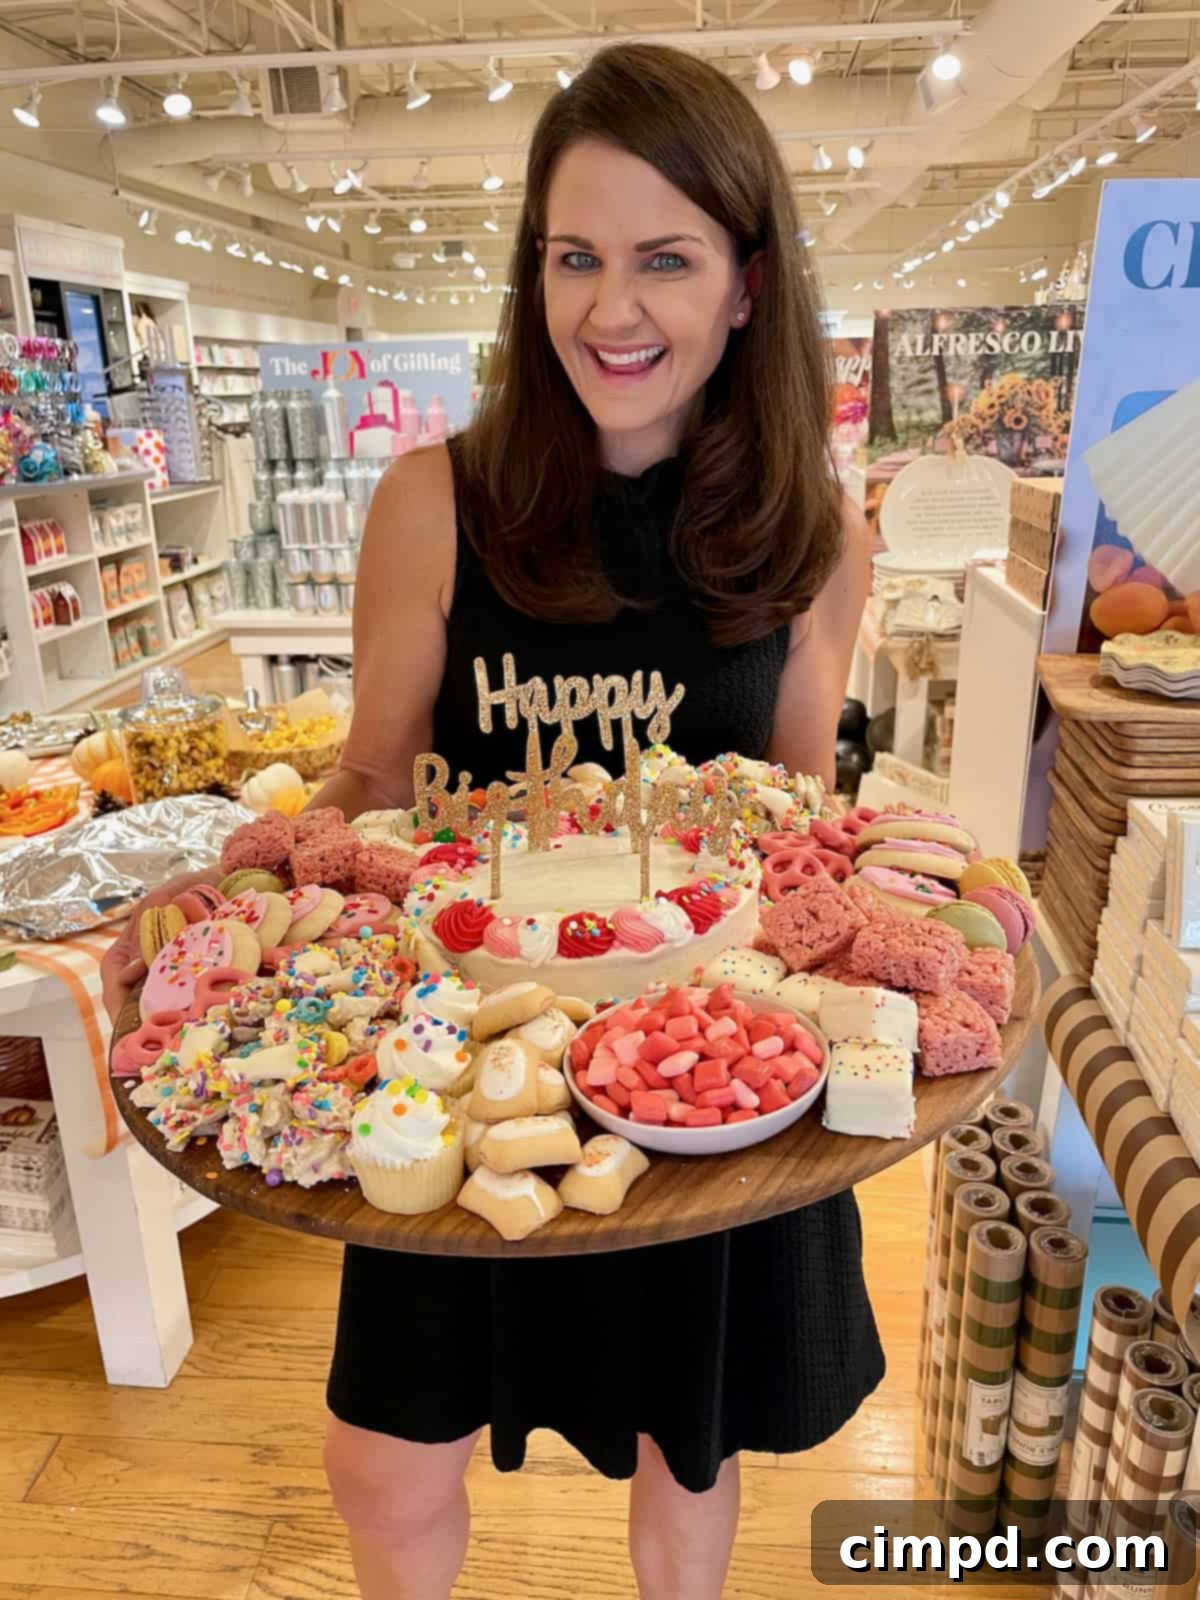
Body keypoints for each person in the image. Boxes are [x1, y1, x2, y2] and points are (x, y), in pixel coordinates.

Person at [102, 41, 880, 1600]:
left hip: (696, 1078)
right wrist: (231, 889)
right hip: (454, 1062)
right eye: (574, 257)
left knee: (688, 1450)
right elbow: (369, 782)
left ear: (746, 285)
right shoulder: (434, 501)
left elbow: (795, 824)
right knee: (384, 1466)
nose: (611, 309)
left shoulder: (814, 535)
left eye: (666, 260)